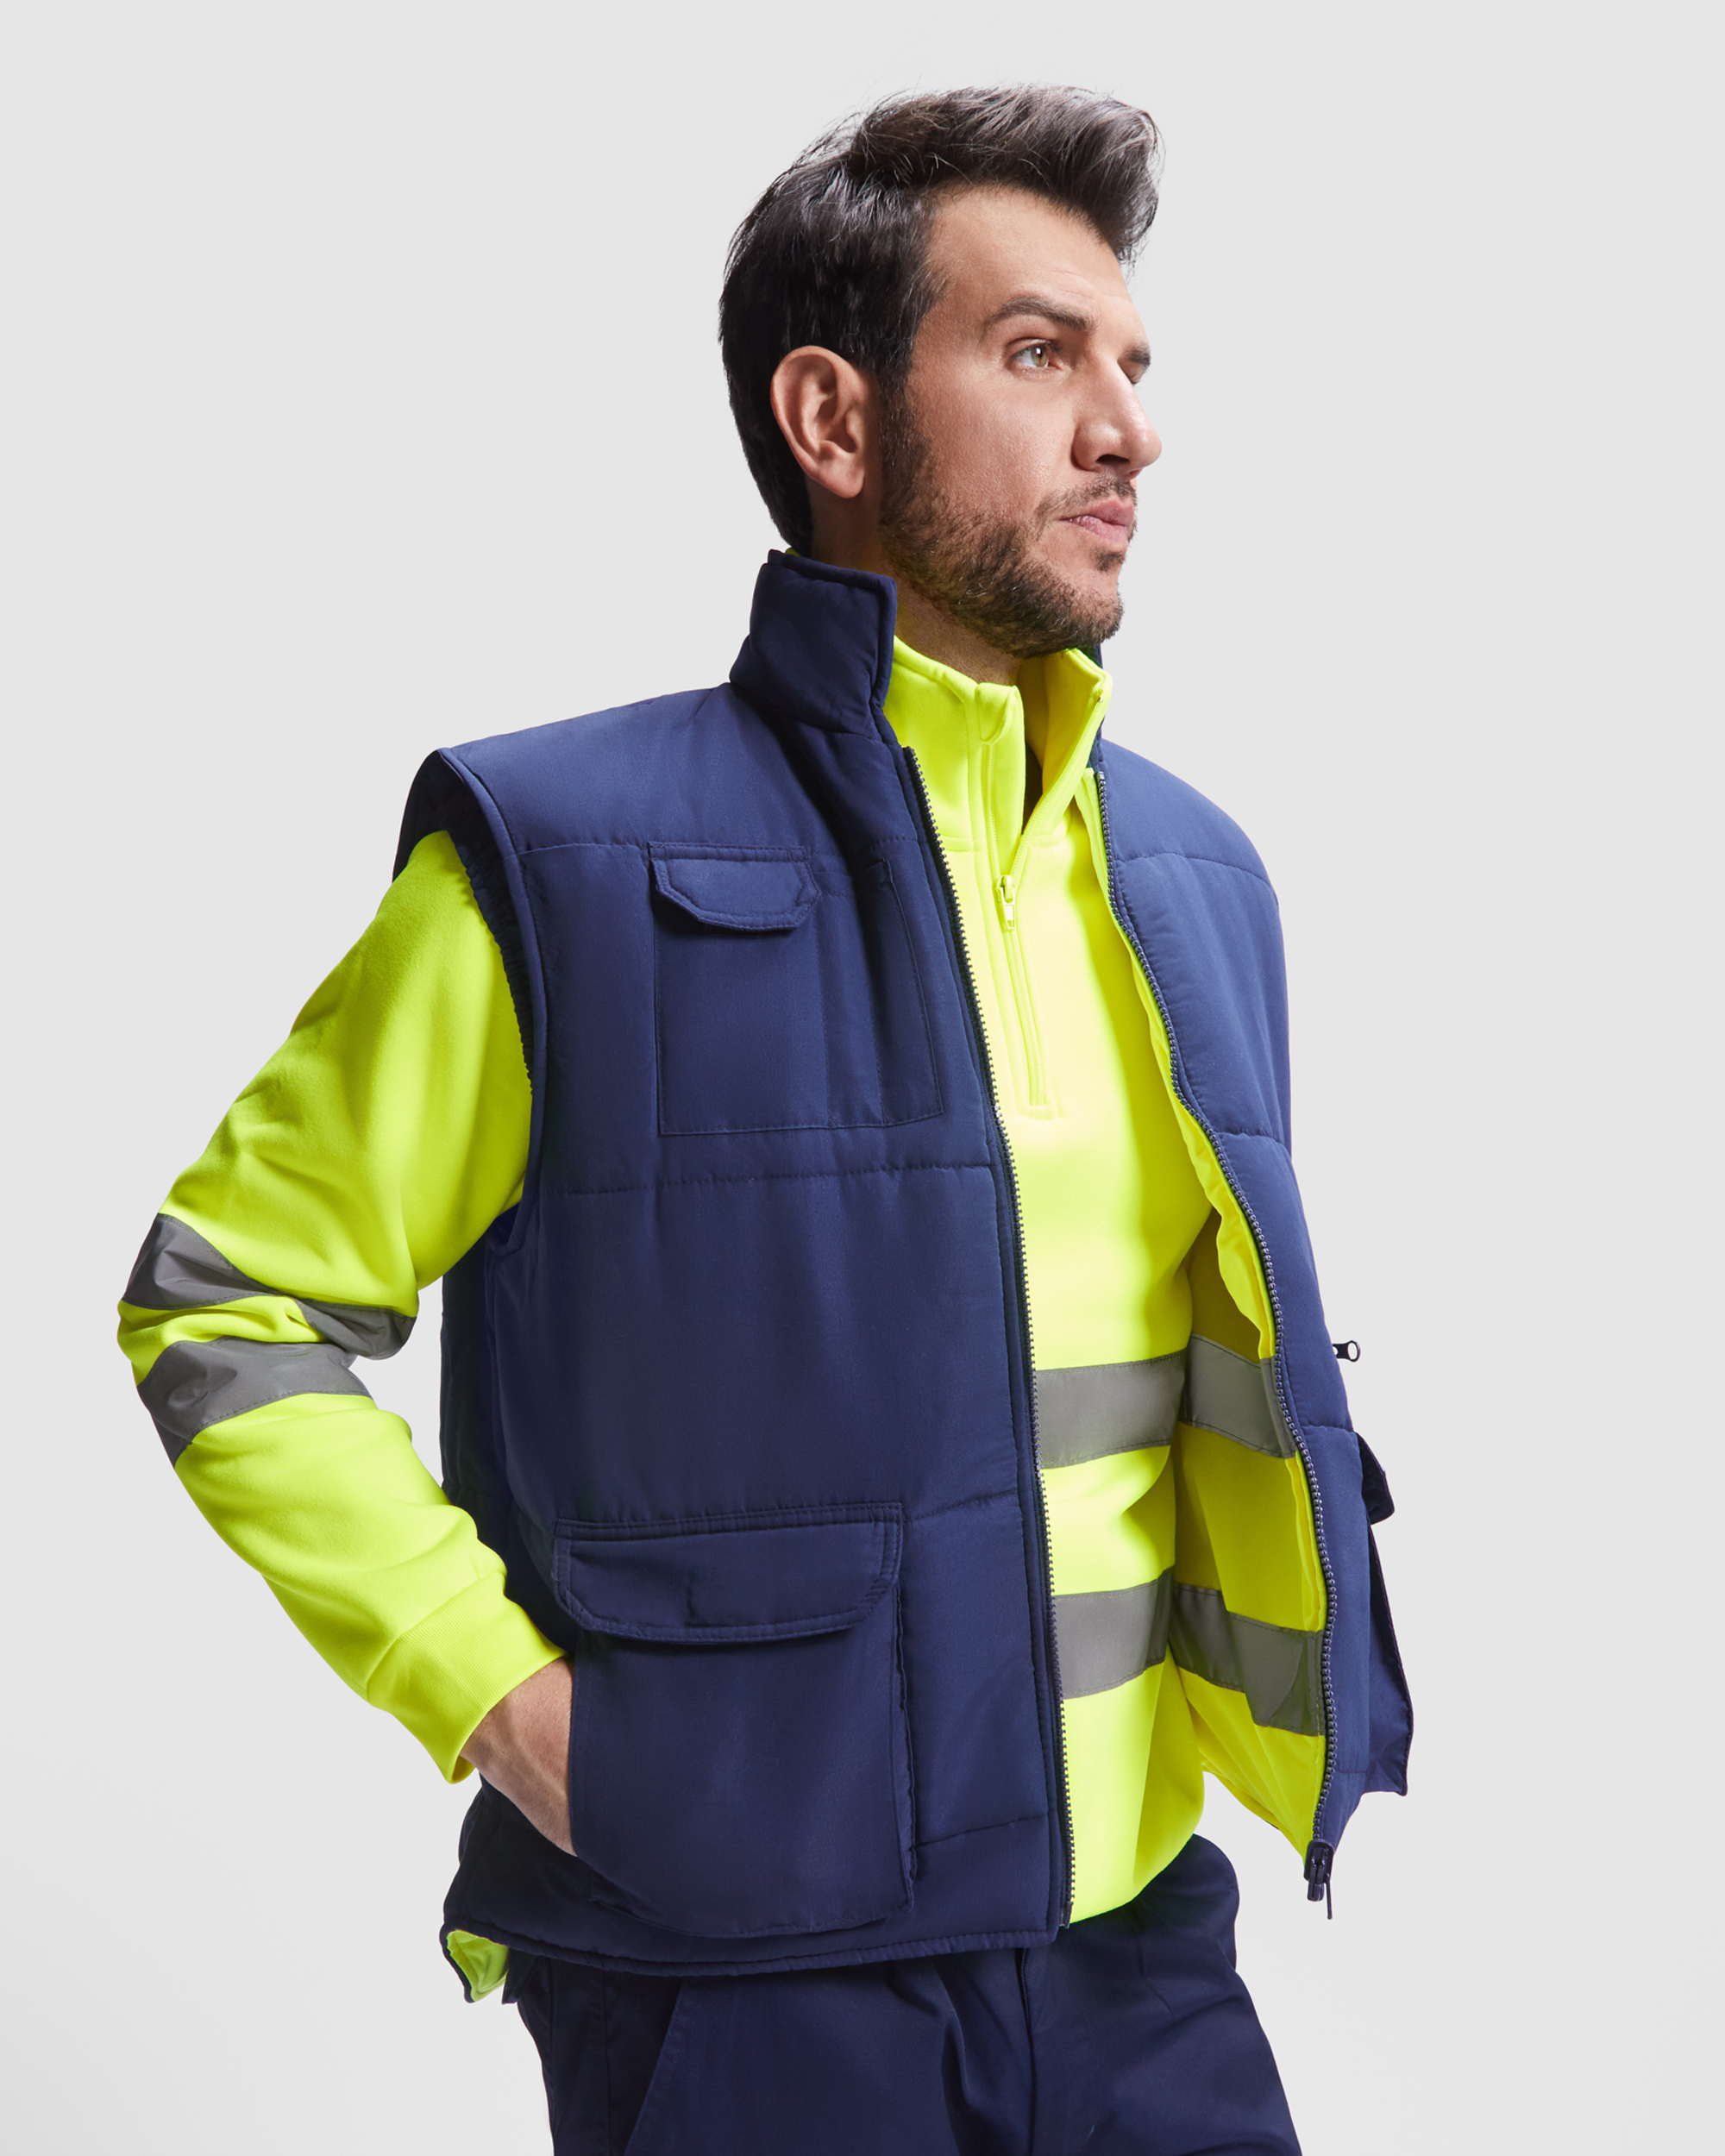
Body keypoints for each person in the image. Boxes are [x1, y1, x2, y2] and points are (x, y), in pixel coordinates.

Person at [119, 85, 1410, 2155]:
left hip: (1140, 1956)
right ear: (832, 418)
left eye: (1132, 363)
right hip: (740, 1969)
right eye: (1038, 353)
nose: (1127, 431)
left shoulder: (1190, 877)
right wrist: (516, 1713)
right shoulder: (561, 860)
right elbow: (221, 1300)